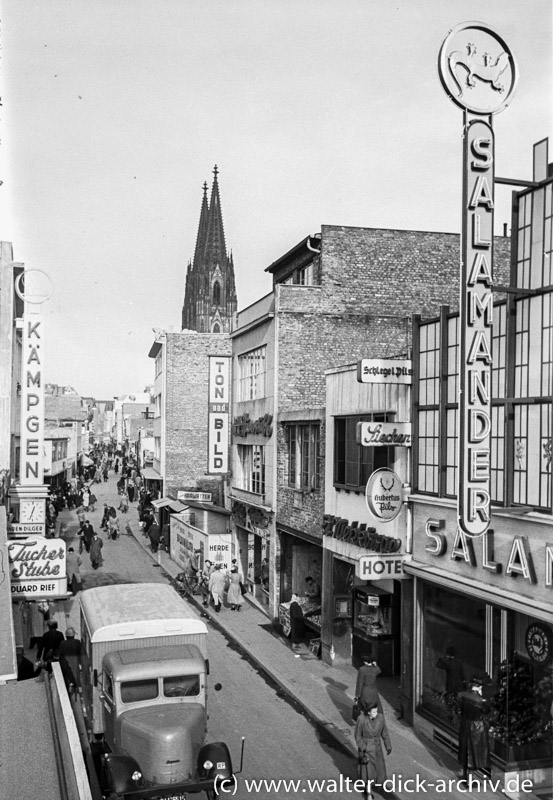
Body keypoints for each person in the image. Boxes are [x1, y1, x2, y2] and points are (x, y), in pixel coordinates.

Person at [355, 701, 392, 800]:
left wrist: (388, 745)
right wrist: (363, 747)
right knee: (368, 772)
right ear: (368, 713)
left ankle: (372, 786)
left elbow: (384, 733)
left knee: (378, 771)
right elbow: (357, 736)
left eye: (376, 711)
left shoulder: (380, 718)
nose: (376, 714)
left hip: (377, 749)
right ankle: (369, 792)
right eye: (374, 712)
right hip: (367, 750)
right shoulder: (361, 719)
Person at [457, 677, 490, 780]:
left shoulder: (462, 695)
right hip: (476, 728)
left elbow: (459, 708)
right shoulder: (482, 701)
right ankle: (470, 777)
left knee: (465, 749)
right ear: (479, 687)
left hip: (465, 724)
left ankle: (465, 774)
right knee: (474, 753)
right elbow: (487, 711)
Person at [58, 627, 82, 693]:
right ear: (73, 635)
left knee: (67, 677)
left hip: (66, 663)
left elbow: (61, 655)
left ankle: (69, 689)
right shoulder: (77, 642)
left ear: (66, 636)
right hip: (75, 662)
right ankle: (79, 690)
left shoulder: (62, 643)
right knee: (77, 676)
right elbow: (80, 653)